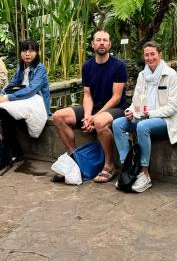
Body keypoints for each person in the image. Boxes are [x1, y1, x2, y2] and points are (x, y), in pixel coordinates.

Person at [52, 30, 127, 183]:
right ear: (92, 44)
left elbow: (116, 97)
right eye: (98, 40)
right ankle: (75, 159)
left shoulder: (118, 66)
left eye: (105, 40)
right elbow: (87, 95)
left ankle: (109, 165)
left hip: (115, 109)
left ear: (110, 44)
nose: (102, 43)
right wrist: (87, 116)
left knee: (99, 122)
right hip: (93, 108)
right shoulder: (87, 66)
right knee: (58, 116)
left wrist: (95, 116)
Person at [112, 41, 177, 193]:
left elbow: (173, 107)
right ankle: (128, 168)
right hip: (144, 117)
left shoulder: (171, 75)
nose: (150, 58)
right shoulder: (142, 75)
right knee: (118, 123)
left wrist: (150, 114)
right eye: (147, 55)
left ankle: (144, 174)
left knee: (142, 126)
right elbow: (136, 101)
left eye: (153, 54)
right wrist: (131, 111)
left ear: (160, 55)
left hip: (166, 120)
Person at [0, 39, 51, 162]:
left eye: (31, 51)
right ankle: (15, 150)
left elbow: (32, 89)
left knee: (4, 110)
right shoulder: (21, 66)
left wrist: (8, 97)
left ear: (36, 53)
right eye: (24, 51)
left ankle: (13, 151)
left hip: (36, 99)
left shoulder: (40, 68)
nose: (27, 54)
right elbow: (13, 83)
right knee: (0, 110)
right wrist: (2, 94)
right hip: (22, 98)